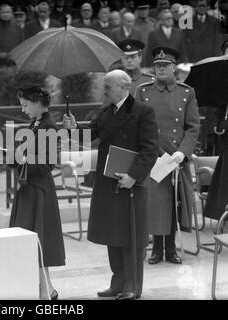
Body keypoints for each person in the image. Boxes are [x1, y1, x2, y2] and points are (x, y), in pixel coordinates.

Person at [63, 70, 159, 300]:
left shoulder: (142, 111)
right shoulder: (106, 111)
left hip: (130, 184)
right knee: (113, 235)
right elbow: (91, 134)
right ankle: (117, 283)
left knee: (131, 237)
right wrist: (73, 127)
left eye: (108, 86)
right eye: (104, 86)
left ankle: (132, 286)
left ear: (123, 87)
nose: (104, 90)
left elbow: (150, 150)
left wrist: (133, 176)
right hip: (108, 181)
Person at [135, 47, 200, 265]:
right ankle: (157, 250)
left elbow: (193, 127)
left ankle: (171, 249)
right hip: (153, 158)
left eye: (165, 65)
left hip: (177, 159)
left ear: (173, 67)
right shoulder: (143, 91)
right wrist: (152, 151)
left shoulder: (186, 92)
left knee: (175, 204)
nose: (161, 69)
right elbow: (139, 125)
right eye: (157, 65)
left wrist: (183, 152)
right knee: (155, 204)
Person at [9, 86, 65, 300]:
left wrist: (22, 159)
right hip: (30, 188)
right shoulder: (36, 124)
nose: (23, 110)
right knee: (32, 241)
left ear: (37, 102)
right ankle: (47, 289)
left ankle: (45, 291)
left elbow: (48, 163)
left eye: (25, 105)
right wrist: (11, 156)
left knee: (38, 241)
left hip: (39, 189)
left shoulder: (48, 126)